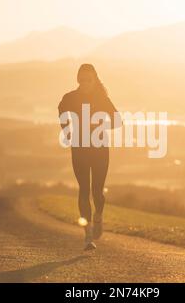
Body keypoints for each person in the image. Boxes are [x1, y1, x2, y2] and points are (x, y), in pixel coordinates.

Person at [58, 64, 121, 250]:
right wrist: (68, 130)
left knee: (97, 191)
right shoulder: (70, 98)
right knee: (84, 190)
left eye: (88, 80)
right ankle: (87, 235)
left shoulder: (102, 99)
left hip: (100, 149)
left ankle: (98, 215)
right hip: (79, 149)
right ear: (78, 80)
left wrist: (99, 129)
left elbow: (118, 121)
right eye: (82, 80)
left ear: (94, 80)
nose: (84, 83)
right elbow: (61, 110)